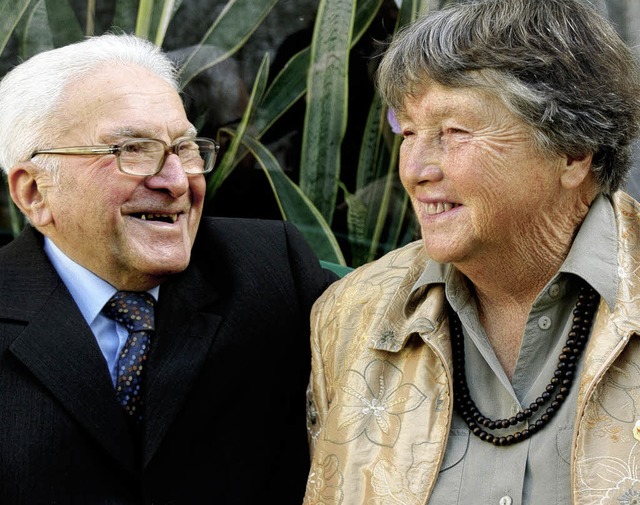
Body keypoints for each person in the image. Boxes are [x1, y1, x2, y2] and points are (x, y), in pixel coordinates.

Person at [302, 0, 640, 503]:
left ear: (572, 151)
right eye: (408, 133)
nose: (416, 170)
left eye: (454, 132)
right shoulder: (351, 316)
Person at [0, 33, 337, 504]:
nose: (176, 181)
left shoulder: (273, 272)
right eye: (132, 150)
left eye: (184, 148)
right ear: (35, 192)